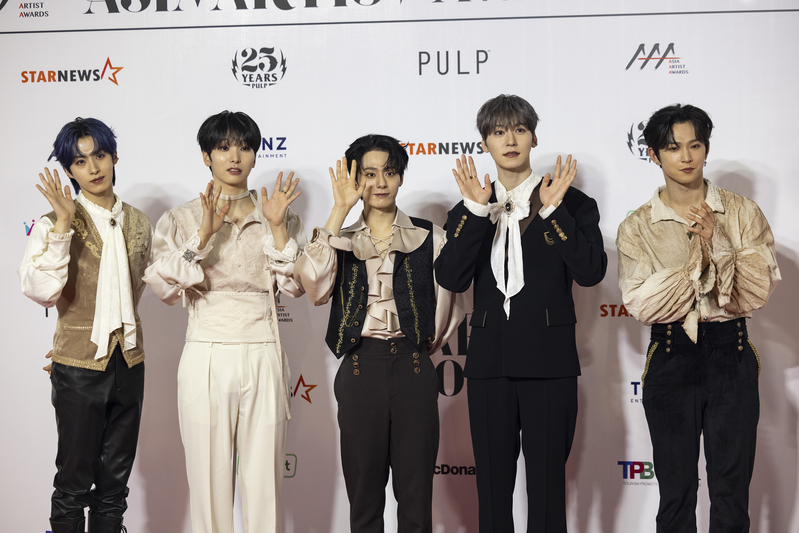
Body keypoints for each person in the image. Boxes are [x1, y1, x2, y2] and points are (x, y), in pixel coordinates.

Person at [434, 94, 607, 532]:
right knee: (492, 492)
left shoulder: (572, 203)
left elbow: (590, 272)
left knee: (547, 490)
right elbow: (451, 278)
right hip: (489, 364)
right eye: (498, 132)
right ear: (484, 143)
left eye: (519, 130)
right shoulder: (470, 206)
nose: (509, 140)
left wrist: (553, 211)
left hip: (550, 362)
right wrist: (476, 212)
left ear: (534, 137)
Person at [616, 104, 780, 532]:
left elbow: (755, 291)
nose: (686, 157)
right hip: (671, 354)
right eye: (673, 148)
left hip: (732, 353)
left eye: (695, 145)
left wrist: (717, 241)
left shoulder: (742, 212)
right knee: (675, 491)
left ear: (707, 148)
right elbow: (643, 303)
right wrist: (709, 263)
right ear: (654, 155)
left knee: (731, 492)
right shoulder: (638, 226)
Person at [143, 111, 306, 533]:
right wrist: (202, 236)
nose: (235, 156)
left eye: (244, 147)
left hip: (264, 350)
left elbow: (295, 287)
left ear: (255, 155)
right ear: (206, 156)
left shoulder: (280, 215)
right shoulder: (181, 218)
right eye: (223, 147)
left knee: (264, 487)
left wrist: (277, 229)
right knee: (209, 484)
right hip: (206, 353)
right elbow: (162, 288)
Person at [293, 134, 464, 533]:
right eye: (369, 174)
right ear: (356, 180)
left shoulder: (432, 236)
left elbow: (450, 306)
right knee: (364, 500)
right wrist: (339, 209)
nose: (381, 182)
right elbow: (312, 285)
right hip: (359, 369)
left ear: (401, 176)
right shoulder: (339, 239)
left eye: (389, 172)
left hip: (414, 368)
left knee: (416, 500)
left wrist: (421, 344)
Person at [19, 117, 151, 533]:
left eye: (100, 155)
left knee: (114, 487)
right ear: (69, 170)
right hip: (78, 369)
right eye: (80, 161)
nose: (93, 168)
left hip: (129, 364)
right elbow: (42, 290)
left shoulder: (140, 222)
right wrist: (62, 226)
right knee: (73, 483)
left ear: (114, 157)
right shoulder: (52, 222)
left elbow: (138, 291)